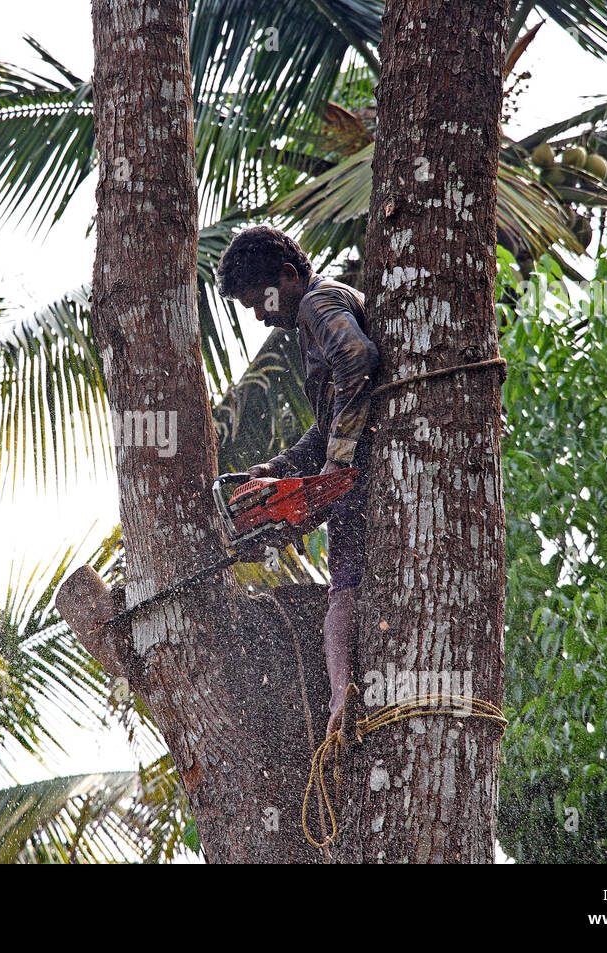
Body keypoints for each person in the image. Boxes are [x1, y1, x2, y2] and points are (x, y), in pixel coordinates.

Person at [216, 225, 379, 740]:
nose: (261, 315)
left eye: (260, 300)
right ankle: (343, 694)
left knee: (343, 594)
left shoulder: (316, 302)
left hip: (364, 472)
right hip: (360, 472)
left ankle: (339, 702)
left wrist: (339, 460)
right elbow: (331, 417)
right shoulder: (317, 314)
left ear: (288, 275)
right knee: (343, 592)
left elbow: (358, 360)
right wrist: (280, 470)